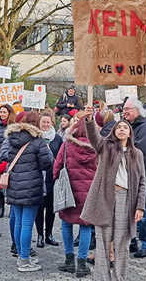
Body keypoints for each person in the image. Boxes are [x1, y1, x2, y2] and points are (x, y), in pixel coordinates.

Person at [81, 107, 146, 281]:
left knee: (121, 243)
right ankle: (102, 278)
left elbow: (142, 182)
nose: (122, 129)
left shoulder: (137, 154)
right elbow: (94, 137)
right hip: (105, 199)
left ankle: (120, 277)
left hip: (126, 200)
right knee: (102, 241)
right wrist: (89, 120)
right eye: (118, 127)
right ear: (114, 131)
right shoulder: (106, 147)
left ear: (130, 132)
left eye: (125, 127)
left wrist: (140, 206)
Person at [5, 113, 54, 272]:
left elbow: (3, 156)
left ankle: (21, 255)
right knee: (26, 224)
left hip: (14, 185)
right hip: (31, 187)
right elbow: (47, 164)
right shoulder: (37, 141)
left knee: (19, 223)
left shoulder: (12, 138)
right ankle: (24, 260)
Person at [54, 116, 97, 278]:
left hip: (69, 191)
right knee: (85, 226)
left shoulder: (67, 145)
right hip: (89, 193)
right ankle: (82, 264)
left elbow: (57, 167)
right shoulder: (97, 147)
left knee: (66, 223)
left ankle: (69, 260)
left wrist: (56, 182)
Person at [122, 97, 146, 258]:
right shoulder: (131, 126)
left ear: (136, 110)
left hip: (140, 176)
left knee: (141, 210)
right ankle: (133, 240)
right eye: (124, 109)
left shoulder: (145, 128)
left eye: (127, 109)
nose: (124, 112)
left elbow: (138, 150)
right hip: (128, 175)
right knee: (130, 211)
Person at [35, 112, 62, 248]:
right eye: (43, 122)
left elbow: (62, 156)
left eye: (48, 122)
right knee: (39, 208)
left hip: (52, 178)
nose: (45, 125)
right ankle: (39, 235)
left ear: (52, 123)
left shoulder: (57, 138)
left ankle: (49, 234)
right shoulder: (35, 137)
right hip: (38, 178)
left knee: (51, 209)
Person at [0, 104, 16, 218]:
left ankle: (11, 207)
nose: (2, 114)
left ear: (9, 113)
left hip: (10, 158)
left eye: (4, 112)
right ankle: (1, 207)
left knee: (10, 184)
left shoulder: (14, 126)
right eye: (0, 112)